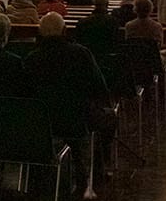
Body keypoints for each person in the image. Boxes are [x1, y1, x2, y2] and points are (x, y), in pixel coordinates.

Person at [23, 12, 111, 176]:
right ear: (64, 30)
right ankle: (99, 167)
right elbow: (99, 86)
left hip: (42, 121)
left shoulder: (31, 59)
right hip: (77, 118)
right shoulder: (81, 53)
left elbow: (25, 92)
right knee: (108, 118)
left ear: (40, 33)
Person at [74, 0, 123, 65]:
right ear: (107, 3)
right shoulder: (113, 22)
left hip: (88, 61)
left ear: (93, 2)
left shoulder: (83, 23)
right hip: (108, 61)